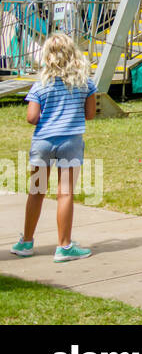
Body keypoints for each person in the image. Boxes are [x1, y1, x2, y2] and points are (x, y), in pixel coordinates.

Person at [11, 34, 96, 262]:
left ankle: (26, 242)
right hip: (71, 141)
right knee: (65, 193)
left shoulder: (41, 84)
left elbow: (31, 117)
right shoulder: (86, 83)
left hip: (43, 143)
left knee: (36, 191)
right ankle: (64, 246)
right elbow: (90, 114)